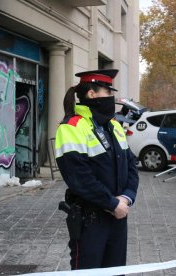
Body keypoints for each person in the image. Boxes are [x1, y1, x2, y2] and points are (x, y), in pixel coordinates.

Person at [55, 69, 139, 270]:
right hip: (90, 219)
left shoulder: (114, 125)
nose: (112, 97)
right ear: (92, 94)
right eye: (108, 92)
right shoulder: (71, 127)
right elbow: (80, 178)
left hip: (118, 216)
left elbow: (131, 166)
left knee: (116, 271)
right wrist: (111, 203)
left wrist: (126, 198)